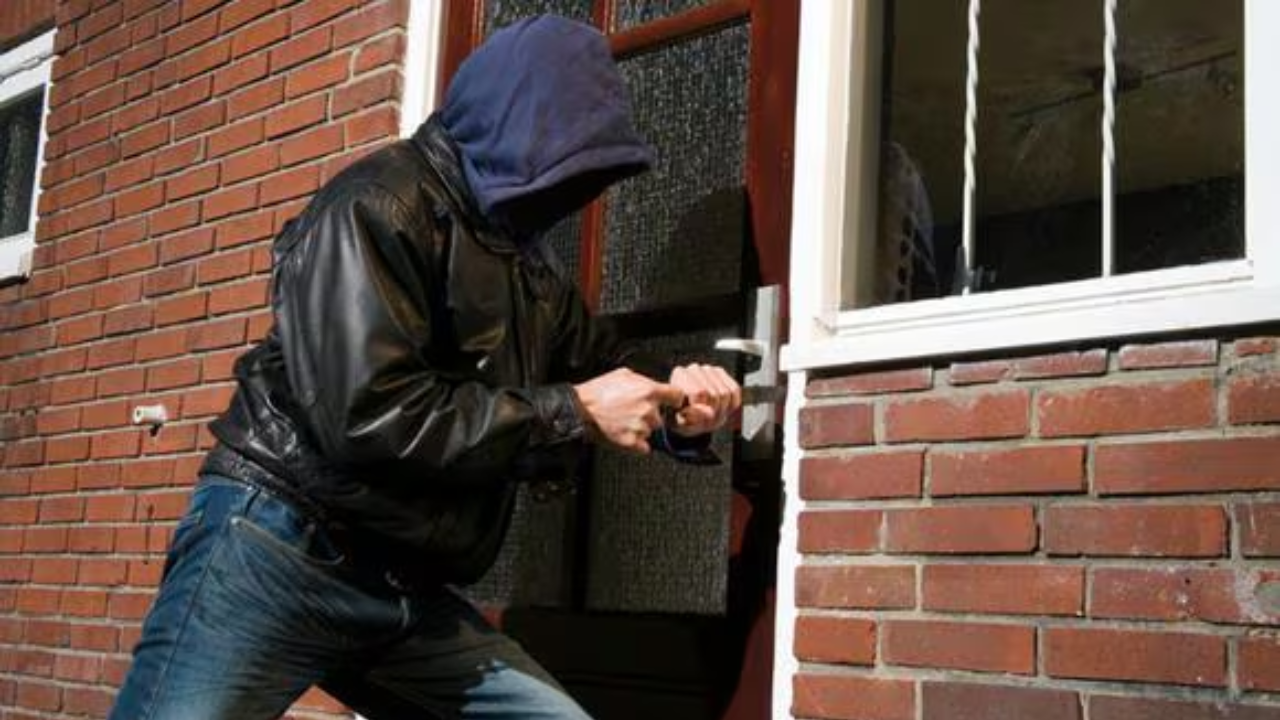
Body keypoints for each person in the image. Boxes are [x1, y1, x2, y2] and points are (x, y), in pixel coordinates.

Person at [109, 15, 741, 720]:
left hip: (404, 585)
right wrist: (576, 410)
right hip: (279, 545)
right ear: (512, 128)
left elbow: (604, 363)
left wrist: (678, 401)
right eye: (565, 165)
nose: (575, 195)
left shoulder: (528, 267)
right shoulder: (376, 204)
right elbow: (369, 414)